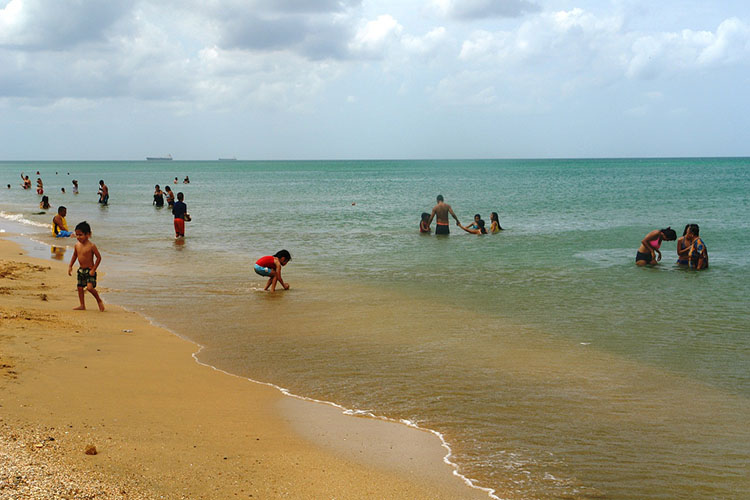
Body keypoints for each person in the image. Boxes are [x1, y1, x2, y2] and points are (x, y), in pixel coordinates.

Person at [68, 221, 105, 311]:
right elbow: (74, 256)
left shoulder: (91, 246)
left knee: (89, 288)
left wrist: (94, 269)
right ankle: (82, 305)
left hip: (89, 270)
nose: (78, 237)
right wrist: (70, 266)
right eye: (77, 235)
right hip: (81, 270)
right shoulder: (77, 245)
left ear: (88, 234)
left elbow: (99, 258)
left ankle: (99, 300)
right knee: (80, 287)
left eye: (80, 235)